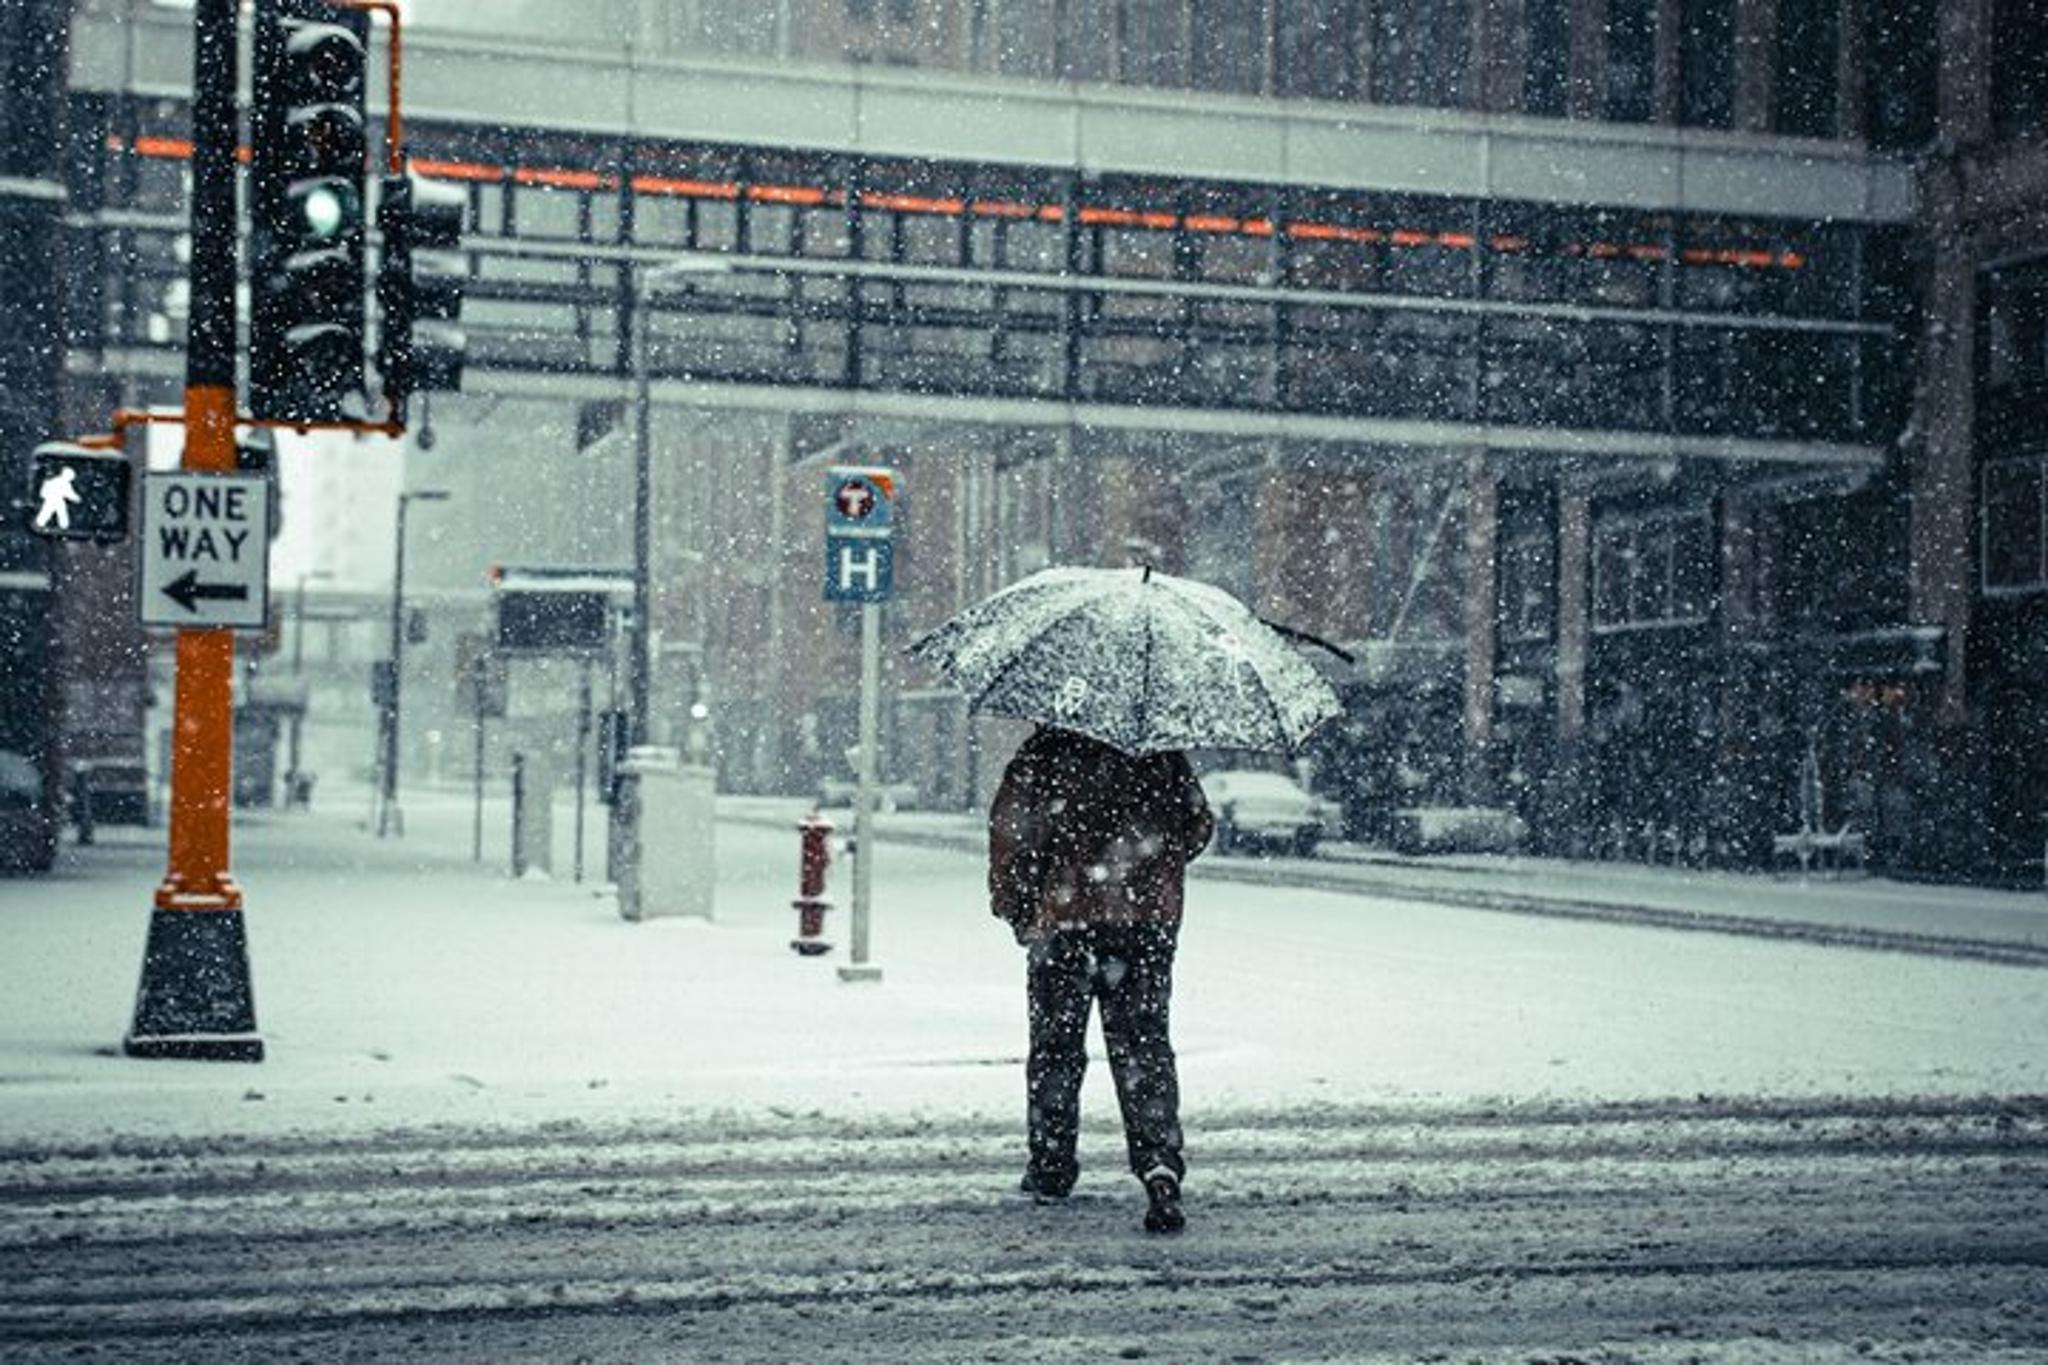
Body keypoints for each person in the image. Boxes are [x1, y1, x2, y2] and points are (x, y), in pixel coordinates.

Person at [988, 725, 1214, 1234]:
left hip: (1065, 920)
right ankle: (1158, 1163)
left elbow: (1011, 834)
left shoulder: (1044, 751)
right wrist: (1147, 869)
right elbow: (1198, 826)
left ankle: (1051, 1165)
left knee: (1056, 1048)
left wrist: (1022, 906)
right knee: (1143, 1046)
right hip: (1145, 923)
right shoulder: (1162, 754)